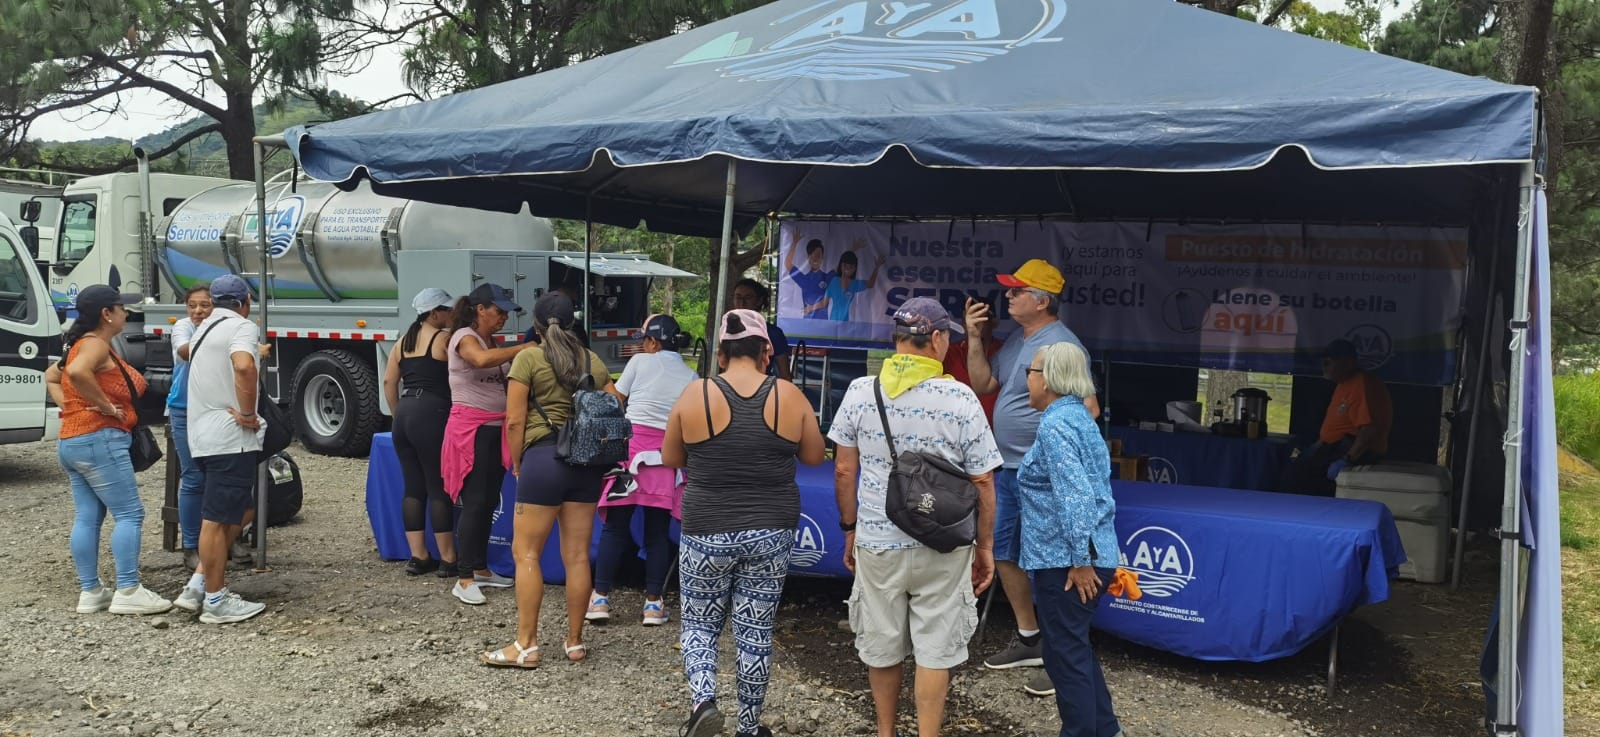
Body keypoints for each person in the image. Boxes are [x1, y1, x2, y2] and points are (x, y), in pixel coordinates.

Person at [828, 297, 1001, 737]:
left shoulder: (860, 391)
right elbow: (983, 481)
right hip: (944, 542)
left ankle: (886, 732)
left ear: (897, 339)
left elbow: (844, 469)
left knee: (882, 644)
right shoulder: (961, 397)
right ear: (938, 338)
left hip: (877, 540)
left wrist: (850, 529)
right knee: (935, 650)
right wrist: (984, 546)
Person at [662, 309, 825, 737]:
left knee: (699, 623)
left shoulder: (695, 394)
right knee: (755, 629)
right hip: (771, 528)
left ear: (721, 354)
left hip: (706, 527)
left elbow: (671, 457)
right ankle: (749, 729)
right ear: (766, 351)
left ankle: (703, 702)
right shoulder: (788, 395)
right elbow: (814, 456)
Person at [964, 258, 1098, 697]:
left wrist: (1052, 453)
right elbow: (984, 383)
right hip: (1009, 468)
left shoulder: (1062, 345)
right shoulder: (1018, 340)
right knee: (1003, 550)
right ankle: (1030, 638)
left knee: (1053, 562)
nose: (1008, 295)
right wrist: (975, 338)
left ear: (1041, 301)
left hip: (1042, 474)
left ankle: (1063, 656)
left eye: (1017, 290)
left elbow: (1089, 409)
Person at [480, 293, 618, 668]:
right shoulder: (590, 359)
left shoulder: (528, 358)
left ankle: (526, 645)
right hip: (585, 464)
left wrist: (518, 462)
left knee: (526, 553)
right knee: (577, 556)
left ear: (536, 326)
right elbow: (616, 404)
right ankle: (574, 642)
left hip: (543, 460)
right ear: (572, 324)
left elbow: (514, 420)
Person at [45, 284, 173, 616]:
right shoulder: (95, 345)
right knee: (130, 514)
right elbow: (76, 373)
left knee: (88, 516)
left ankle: (91, 592)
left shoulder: (79, 344)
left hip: (73, 440)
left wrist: (74, 408)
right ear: (106, 314)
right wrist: (105, 407)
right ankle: (128, 590)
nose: (126, 313)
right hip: (100, 439)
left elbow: (52, 376)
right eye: (120, 307)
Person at [1019, 342, 1124, 737]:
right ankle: (1107, 730)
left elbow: (1075, 495)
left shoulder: (1056, 425)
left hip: (1067, 561)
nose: (1027, 380)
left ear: (1048, 380)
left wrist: (1080, 560)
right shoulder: (1078, 416)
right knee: (1073, 648)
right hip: (1084, 553)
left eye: (1030, 371)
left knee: (1064, 657)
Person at [589, 313, 697, 627]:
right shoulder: (692, 376)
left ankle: (600, 599)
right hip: (665, 458)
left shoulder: (639, 362)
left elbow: (616, 401)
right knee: (657, 533)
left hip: (630, 455)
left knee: (615, 528)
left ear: (651, 342)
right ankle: (653, 604)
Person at [179, 274, 268, 624]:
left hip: (202, 435)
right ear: (245, 301)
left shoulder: (202, 328)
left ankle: (198, 584)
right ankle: (216, 600)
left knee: (236, 511)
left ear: (214, 302)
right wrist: (247, 413)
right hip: (229, 437)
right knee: (216, 520)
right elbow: (244, 366)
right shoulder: (242, 326)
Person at [442, 283, 536, 605]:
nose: (503, 317)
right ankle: (464, 577)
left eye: (507, 312)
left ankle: (480, 568)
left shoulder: (494, 342)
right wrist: (524, 348)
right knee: (475, 502)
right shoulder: (464, 337)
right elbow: (481, 360)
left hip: (496, 430)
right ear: (480, 309)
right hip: (472, 431)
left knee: (488, 502)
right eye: (499, 311)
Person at [384, 287, 458, 577]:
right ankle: (448, 558)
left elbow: (389, 382)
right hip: (432, 413)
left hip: (404, 413)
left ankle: (419, 556)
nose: (451, 313)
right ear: (434, 313)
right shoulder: (443, 339)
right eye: (447, 309)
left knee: (413, 487)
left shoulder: (402, 342)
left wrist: (397, 415)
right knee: (438, 487)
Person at [1280, 339, 1393, 496]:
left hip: (1354, 451)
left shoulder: (1363, 384)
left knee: (1300, 478)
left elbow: (1369, 429)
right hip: (1331, 446)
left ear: (1348, 362)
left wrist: (1347, 459)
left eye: (1328, 362)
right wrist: (1316, 446)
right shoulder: (1343, 384)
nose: (1324, 367)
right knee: (1292, 462)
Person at [167, 285, 213, 570]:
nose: (198, 311)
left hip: (214, 409)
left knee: (222, 475)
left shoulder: (223, 326)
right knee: (193, 476)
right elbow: (184, 352)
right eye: (192, 305)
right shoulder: (183, 327)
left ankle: (226, 536)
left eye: (205, 305)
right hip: (184, 409)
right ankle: (191, 545)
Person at [943, 296, 1001, 424]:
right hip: (957, 427)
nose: (973, 324)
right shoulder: (950, 353)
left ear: (993, 322)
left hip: (996, 430)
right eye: (968, 319)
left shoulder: (1005, 351)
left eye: (979, 318)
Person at [732, 278, 792, 380]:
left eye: (748, 297)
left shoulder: (773, 333)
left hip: (761, 386)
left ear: (759, 301)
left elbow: (785, 375)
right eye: (738, 297)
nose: (742, 303)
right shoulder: (726, 329)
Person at [817, 250, 885, 321]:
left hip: (846, 322)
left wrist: (877, 267)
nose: (847, 269)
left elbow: (870, 284)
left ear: (854, 269)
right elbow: (824, 303)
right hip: (833, 321)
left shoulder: (854, 284)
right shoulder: (834, 281)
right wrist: (811, 308)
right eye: (845, 265)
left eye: (851, 267)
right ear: (841, 266)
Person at [782, 236, 836, 319]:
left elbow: (842, 267)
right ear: (808, 257)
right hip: (807, 323)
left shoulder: (827, 277)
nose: (815, 259)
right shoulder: (804, 279)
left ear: (822, 257)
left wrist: (853, 250)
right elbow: (788, 264)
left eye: (818, 256)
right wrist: (794, 243)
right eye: (812, 256)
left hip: (823, 323)